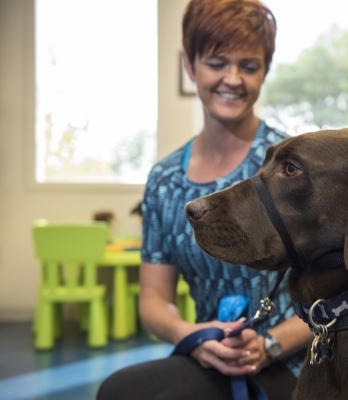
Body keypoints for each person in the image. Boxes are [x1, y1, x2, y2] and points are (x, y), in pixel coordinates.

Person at [97, 1, 313, 399]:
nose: (233, 79)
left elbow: (333, 289)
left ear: (265, 70)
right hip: (210, 356)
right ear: (190, 65)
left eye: (249, 66)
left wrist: (270, 345)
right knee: (120, 391)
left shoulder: (289, 165)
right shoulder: (164, 181)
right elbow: (154, 298)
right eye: (217, 63)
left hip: (296, 359)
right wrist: (190, 336)